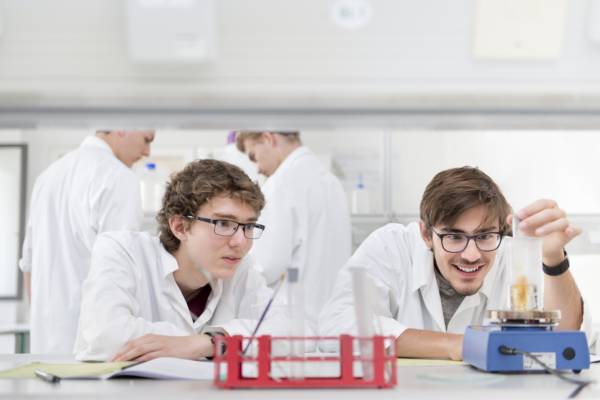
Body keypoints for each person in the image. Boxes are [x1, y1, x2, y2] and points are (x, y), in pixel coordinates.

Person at [319, 166, 593, 359]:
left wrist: (553, 259)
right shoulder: (392, 247)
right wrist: (458, 346)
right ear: (426, 234)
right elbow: (336, 325)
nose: (471, 254)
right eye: (454, 236)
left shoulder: (513, 257)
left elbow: (567, 338)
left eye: (485, 235)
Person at [74, 159, 279, 361]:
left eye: (249, 226)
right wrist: (219, 342)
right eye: (224, 223)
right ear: (180, 227)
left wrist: (208, 343)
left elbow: (294, 329)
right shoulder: (122, 251)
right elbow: (106, 335)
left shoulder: (241, 268)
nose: (241, 242)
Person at [19, 130, 155, 354]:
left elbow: (28, 266)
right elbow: (124, 270)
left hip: (44, 347)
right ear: (123, 127)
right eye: (147, 139)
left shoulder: (47, 177)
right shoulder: (118, 177)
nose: (147, 152)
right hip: (92, 351)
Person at [236, 131, 352, 334]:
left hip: (291, 326)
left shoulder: (280, 184)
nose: (258, 168)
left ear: (268, 138)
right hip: (330, 326)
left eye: (254, 156)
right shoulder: (331, 182)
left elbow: (265, 265)